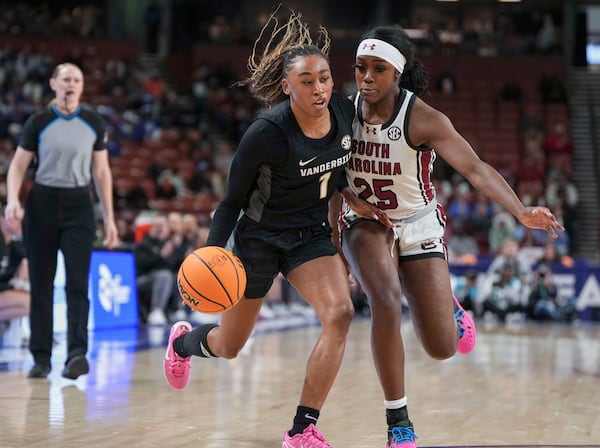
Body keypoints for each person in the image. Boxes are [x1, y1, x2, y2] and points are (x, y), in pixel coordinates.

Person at [337, 25, 565, 448]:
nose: (366, 77)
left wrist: (520, 210)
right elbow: (329, 176)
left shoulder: (424, 118)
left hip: (419, 221)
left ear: (398, 74)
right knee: (384, 300)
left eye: (378, 69)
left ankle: (451, 308)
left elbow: (476, 169)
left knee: (442, 347)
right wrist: (341, 228)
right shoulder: (341, 111)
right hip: (366, 219)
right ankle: (398, 422)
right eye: (360, 68)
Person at [162, 9, 355, 448]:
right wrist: (213, 252)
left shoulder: (344, 114)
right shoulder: (266, 133)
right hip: (260, 240)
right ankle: (182, 344)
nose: (319, 87)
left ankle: (302, 429)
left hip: (310, 237)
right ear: (287, 86)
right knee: (229, 347)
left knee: (340, 314)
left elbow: (340, 175)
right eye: (306, 80)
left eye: (324, 77)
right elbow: (231, 202)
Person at [4, 62, 117, 379]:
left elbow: (102, 172)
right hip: (41, 202)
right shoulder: (38, 121)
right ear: (54, 84)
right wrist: (13, 200)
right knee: (41, 283)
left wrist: (109, 218)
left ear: (82, 87)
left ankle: (77, 355)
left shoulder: (93, 121)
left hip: (80, 205)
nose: (71, 84)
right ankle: (41, 358)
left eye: (77, 80)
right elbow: (17, 167)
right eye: (66, 78)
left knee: (78, 284)